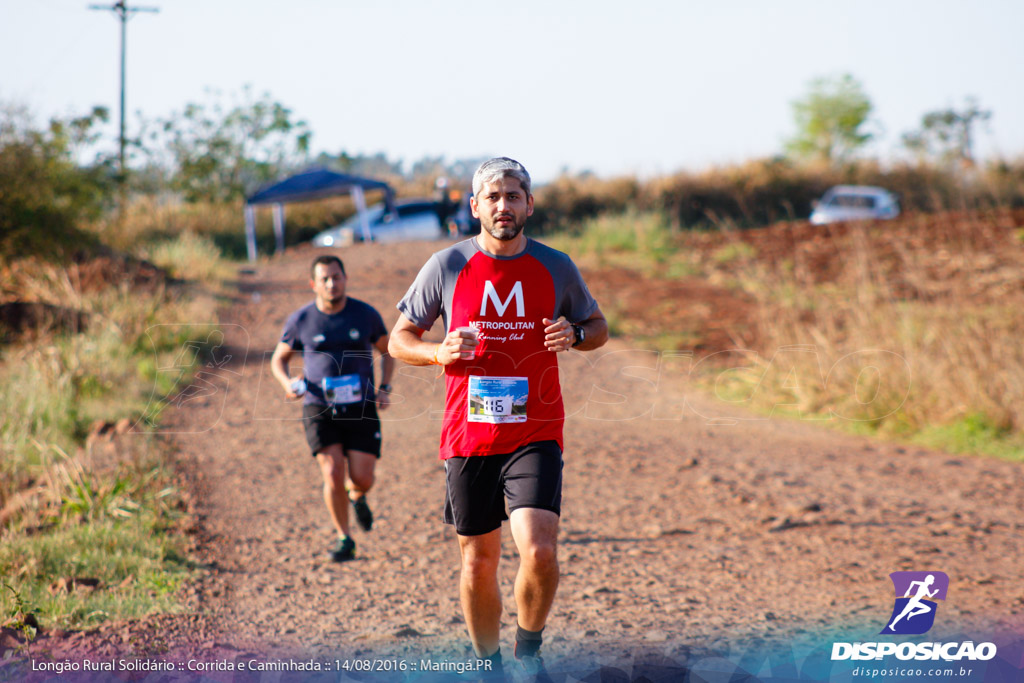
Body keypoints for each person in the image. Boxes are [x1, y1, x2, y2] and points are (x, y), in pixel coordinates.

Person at [388, 157, 608, 678]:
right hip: (469, 435)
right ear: (474, 207)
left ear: (529, 204)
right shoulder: (445, 265)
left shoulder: (556, 265)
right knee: (478, 562)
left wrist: (574, 336)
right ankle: (489, 665)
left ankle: (528, 652)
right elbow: (399, 340)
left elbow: (597, 326)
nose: (503, 206)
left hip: (535, 430)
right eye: (493, 197)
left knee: (539, 549)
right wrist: (439, 351)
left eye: (513, 196)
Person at [271, 255, 394, 562]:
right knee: (332, 473)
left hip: (361, 407)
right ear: (313, 284)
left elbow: (388, 351)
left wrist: (385, 388)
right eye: (324, 279)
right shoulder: (301, 320)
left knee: (362, 477)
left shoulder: (365, 314)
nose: (331, 283)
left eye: (336, 277)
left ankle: (358, 495)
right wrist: (287, 384)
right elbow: (279, 359)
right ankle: (345, 537)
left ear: (345, 278)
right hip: (318, 407)